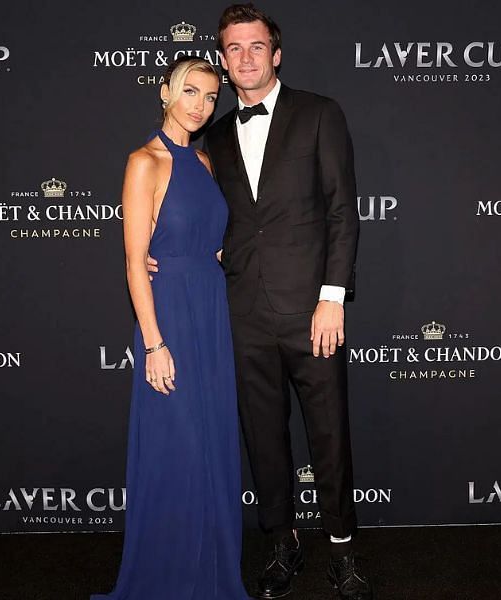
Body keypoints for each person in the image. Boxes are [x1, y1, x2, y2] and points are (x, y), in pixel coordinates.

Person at [185, 4, 369, 599]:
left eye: (255, 46)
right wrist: (168, 252)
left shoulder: (319, 114)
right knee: (263, 436)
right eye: (233, 48)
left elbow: (343, 211)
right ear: (223, 58)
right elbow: (202, 218)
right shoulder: (211, 135)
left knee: (329, 434)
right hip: (240, 315)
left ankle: (343, 551)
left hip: (313, 312)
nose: (245, 57)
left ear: (276, 52)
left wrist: (333, 297)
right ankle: (282, 543)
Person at [93, 57, 248, 600]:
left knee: (211, 446)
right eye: (189, 92)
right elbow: (136, 261)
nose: (200, 105)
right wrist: (154, 343)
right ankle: (170, 578)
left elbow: (209, 234)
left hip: (210, 308)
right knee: (178, 447)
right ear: (165, 92)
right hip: (170, 319)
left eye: (210, 96)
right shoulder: (145, 162)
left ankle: (211, 571)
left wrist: (215, 250)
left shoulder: (204, 163)